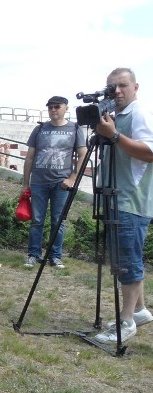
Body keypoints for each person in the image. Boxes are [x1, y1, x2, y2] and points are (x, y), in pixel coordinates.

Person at [92, 68, 153, 343]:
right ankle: (139, 310)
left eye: (122, 86)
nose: (117, 91)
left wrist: (114, 135)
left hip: (130, 198)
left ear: (135, 87)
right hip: (118, 196)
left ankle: (126, 322)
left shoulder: (139, 114)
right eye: (111, 87)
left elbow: (150, 153)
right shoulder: (120, 115)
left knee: (127, 261)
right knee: (127, 256)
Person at [21, 96, 87, 269]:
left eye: (57, 107)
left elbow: (83, 154)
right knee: (37, 220)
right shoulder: (40, 129)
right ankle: (33, 255)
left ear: (66, 108)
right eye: (50, 107)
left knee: (58, 221)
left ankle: (55, 256)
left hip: (61, 183)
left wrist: (73, 178)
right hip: (38, 182)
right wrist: (25, 183)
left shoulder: (74, 128)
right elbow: (29, 157)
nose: (53, 110)